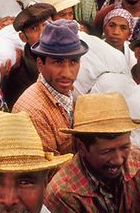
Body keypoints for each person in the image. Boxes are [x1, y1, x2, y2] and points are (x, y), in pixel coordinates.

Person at [12, 20, 89, 155]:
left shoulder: (69, 92)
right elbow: (50, 171)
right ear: (40, 65)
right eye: (58, 62)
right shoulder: (34, 112)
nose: (67, 73)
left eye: (73, 62)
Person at [1, 3, 55, 110]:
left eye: (46, 25)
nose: (42, 33)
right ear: (23, 37)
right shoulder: (18, 74)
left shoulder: (67, 52)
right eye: (34, 28)